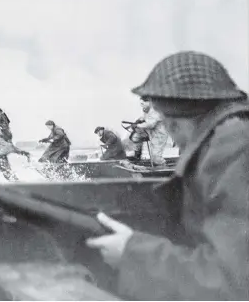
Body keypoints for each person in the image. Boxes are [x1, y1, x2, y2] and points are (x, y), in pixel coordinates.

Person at [86, 51, 249, 300]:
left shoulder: (231, 146)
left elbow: (231, 280)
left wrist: (133, 252)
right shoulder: (235, 134)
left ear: (173, 123)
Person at [130, 97, 169, 165]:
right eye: (141, 103)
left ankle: (163, 167)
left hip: (159, 135)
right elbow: (144, 117)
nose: (141, 105)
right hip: (151, 132)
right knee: (135, 137)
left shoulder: (156, 110)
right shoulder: (146, 110)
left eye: (143, 103)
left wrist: (137, 125)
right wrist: (138, 120)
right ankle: (137, 157)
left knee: (156, 157)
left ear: (150, 102)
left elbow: (150, 124)